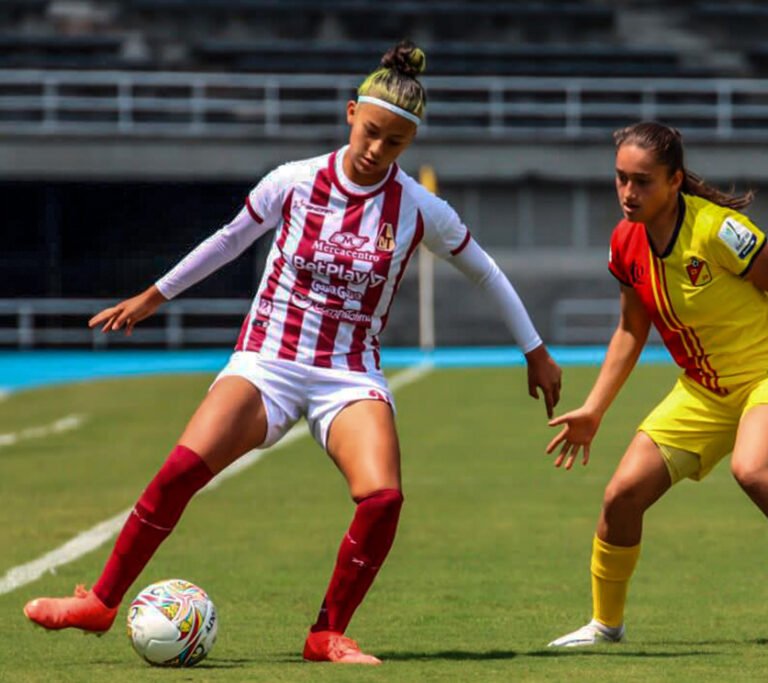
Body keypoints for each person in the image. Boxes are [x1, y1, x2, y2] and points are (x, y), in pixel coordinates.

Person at [23, 40, 562, 666]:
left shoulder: (418, 208)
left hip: (348, 374)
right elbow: (228, 242)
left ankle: (325, 633)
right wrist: (153, 296)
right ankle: (102, 601)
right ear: (350, 113)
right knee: (180, 470)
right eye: (370, 131)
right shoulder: (295, 180)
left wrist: (535, 350)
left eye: (393, 142)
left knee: (382, 499)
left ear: (408, 145)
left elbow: (486, 270)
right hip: (267, 364)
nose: (376, 149)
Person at [545, 121, 768, 650]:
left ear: (674, 182)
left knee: (752, 468)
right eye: (621, 179)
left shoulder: (718, 231)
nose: (628, 193)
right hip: (704, 389)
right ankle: (606, 626)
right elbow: (632, 328)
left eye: (643, 181)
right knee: (620, 496)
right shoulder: (625, 242)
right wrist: (594, 410)